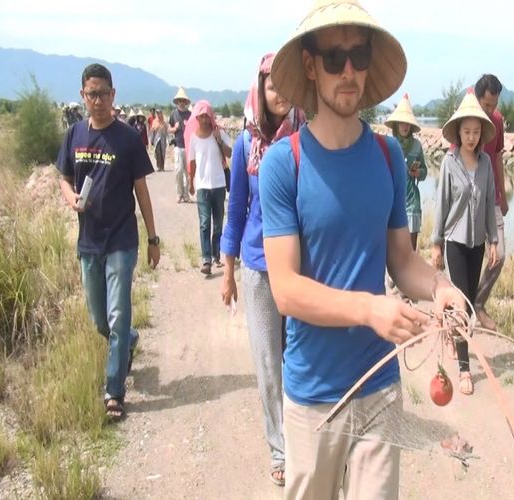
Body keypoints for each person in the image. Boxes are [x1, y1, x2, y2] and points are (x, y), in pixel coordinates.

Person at [259, 1, 465, 497]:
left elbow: (401, 258)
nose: (348, 70)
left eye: (359, 55)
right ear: (310, 66)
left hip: (379, 386)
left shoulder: (387, 154)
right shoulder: (283, 165)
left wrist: (440, 289)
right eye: (334, 58)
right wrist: (370, 308)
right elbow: (285, 290)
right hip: (314, 393)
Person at [56, 63, 160, 421]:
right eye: (91, 94)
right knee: (100, 320)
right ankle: (128, 341)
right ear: (83, 96)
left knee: (117, 316)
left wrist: (153, 237)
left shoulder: (128, 139)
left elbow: (142, 191)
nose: (97, 100)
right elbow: (64, 177)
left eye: (103, 93)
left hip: (121, 239)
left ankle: (114, 391)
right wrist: (70, 198)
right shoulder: (73, 135)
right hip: (89, 242)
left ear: (113, 95)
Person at [220, 52, 306, 487]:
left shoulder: (307, 138)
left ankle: (307, 442)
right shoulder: (243, 144)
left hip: (302, 265)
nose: (279, 93)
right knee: (269, 364)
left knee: (300, 359)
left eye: (285, 85)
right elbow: (236, 209)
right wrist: (228, 268)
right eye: (271, 85)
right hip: (257, 267)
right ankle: (280, 447)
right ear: (260, 89)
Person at [431, 91, 499, 396]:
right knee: (461, 306)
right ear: (458, 132)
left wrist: (493, 239)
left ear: (482, 133)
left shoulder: (485, 164)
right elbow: (441, 205)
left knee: (469, 304)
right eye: (466, 131)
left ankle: (452, 331)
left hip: (477, 244)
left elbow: (487, 205)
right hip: (455, 241)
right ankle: (463, 368)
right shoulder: (449, 163)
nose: (471, 137)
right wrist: (435, 244)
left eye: (476, 132)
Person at [472, 73, 507, 331]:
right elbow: (455, 163)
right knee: (468, 256)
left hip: (492, 198)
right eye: (486, 105)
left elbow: (497, 159)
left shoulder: (497, 121)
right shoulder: (467, 122)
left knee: (500, 254)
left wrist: (503, 195)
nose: (490, 110)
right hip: (469, 200)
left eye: (494, 105)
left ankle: (479, 302)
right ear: (477, 99)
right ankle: (460, 309)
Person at [185, 100, 232, 276]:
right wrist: (191, 182)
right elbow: (192, 161)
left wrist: (220, 141)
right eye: (201, 116)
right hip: (202, 187)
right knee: (205, 223)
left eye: (207, 116)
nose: (204, 119)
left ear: (211, 116)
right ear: (197, 118)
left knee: (218, 225)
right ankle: (206, 260)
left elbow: (229, 153)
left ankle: (216, 255)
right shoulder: (194, 138)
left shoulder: (218, 133)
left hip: (219, 185)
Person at [385, 93, 426, 251]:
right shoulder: (389, 144)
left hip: (412, 201)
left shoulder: (417, 146)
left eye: (407, 123)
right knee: (393, 250)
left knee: (411, 250)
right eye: (401, 123)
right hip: (393, 200)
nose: (404, 126)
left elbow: (424, 171)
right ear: (396, 124)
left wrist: (418, 173)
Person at [170, 87, 192, 203]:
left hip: (188, 146)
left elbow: (195, 130)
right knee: (178, 170)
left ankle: (186, 194)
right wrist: (175, 128)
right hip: (178, 146)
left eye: (183, 101)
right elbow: (169, 128)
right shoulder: (173, 114)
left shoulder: (190, 114)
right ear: (177, 102)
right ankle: (179, 194)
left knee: (188, 172)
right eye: (180, 100)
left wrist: (188, 125)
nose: (181, 103)